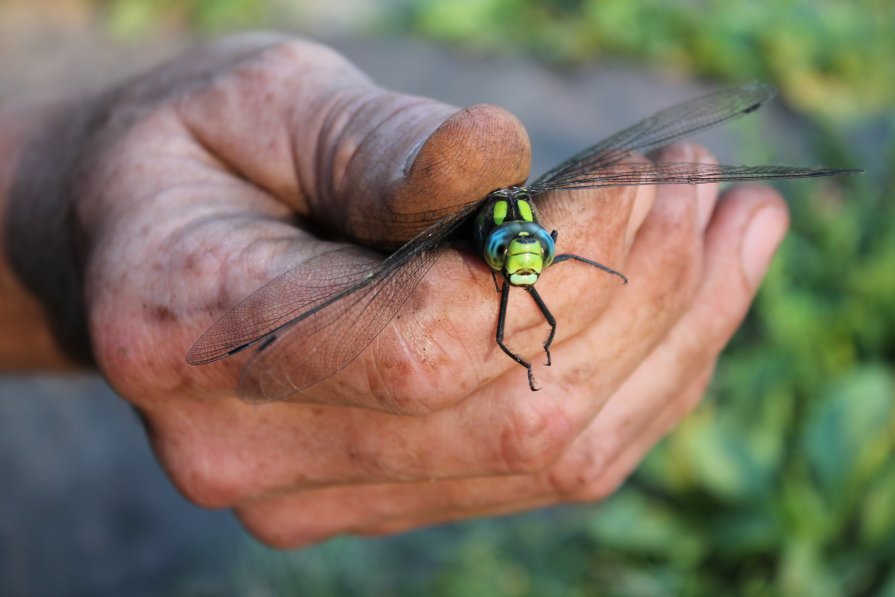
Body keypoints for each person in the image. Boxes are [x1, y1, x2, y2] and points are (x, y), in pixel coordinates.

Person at [0, 33, 788, 548]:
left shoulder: (530, 251)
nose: (522, 260)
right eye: (514, 246)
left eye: (531, 248)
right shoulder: (482, 240)